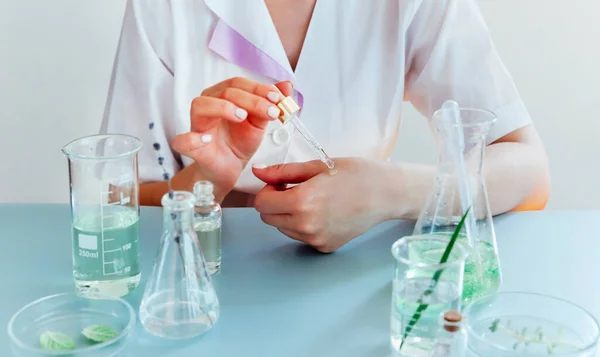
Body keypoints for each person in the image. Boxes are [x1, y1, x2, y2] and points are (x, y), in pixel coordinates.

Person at [100, 0, 551, 253]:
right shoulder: (162, 8)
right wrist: (207, 181)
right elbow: (117, 200)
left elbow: (529, 175)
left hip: (359, 280)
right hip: (205, 278)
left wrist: (390, 192)